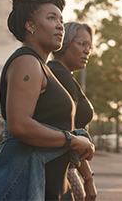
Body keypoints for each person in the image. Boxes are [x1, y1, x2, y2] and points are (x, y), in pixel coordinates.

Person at [0, 0, 94, 201]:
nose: (60, 25)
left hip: (48, 185)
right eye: (51, 18)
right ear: (30, 25)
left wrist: (87, 176)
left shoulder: (42, 67)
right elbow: (20, 126)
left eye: (61, 19)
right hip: (26, 186)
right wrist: (73, 140)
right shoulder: (27, 62)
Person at [48, 22, 97, 201]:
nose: (87, 51)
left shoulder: (62, 74)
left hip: (64, 167)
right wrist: (88, 178)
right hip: (60, 171)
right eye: (82, 44)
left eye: (90, 46)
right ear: (65, 42)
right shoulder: (59, 75)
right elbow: (71, 132)